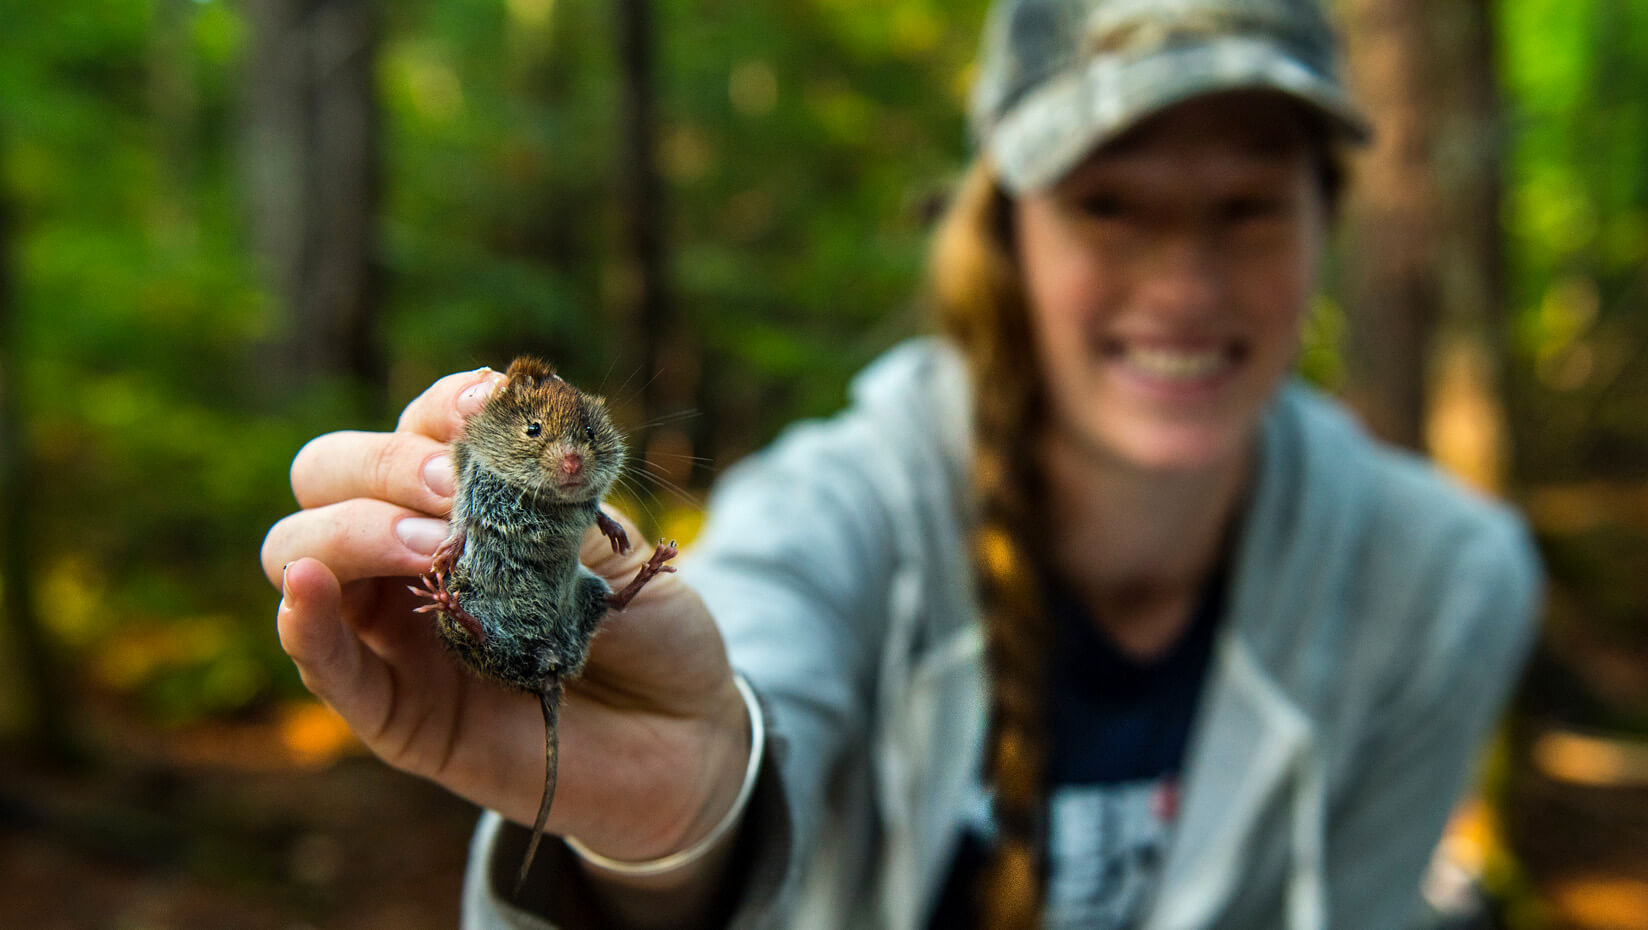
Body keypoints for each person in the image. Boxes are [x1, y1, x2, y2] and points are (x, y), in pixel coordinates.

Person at [260, 0, 1543, 927]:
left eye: (1248, 205)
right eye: (1108, 202)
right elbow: (757, 642)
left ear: (1327, 220)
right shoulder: (844, 509)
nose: (1185, 284)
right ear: (1003, 230)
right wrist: (687, 818)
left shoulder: (1440, 583)